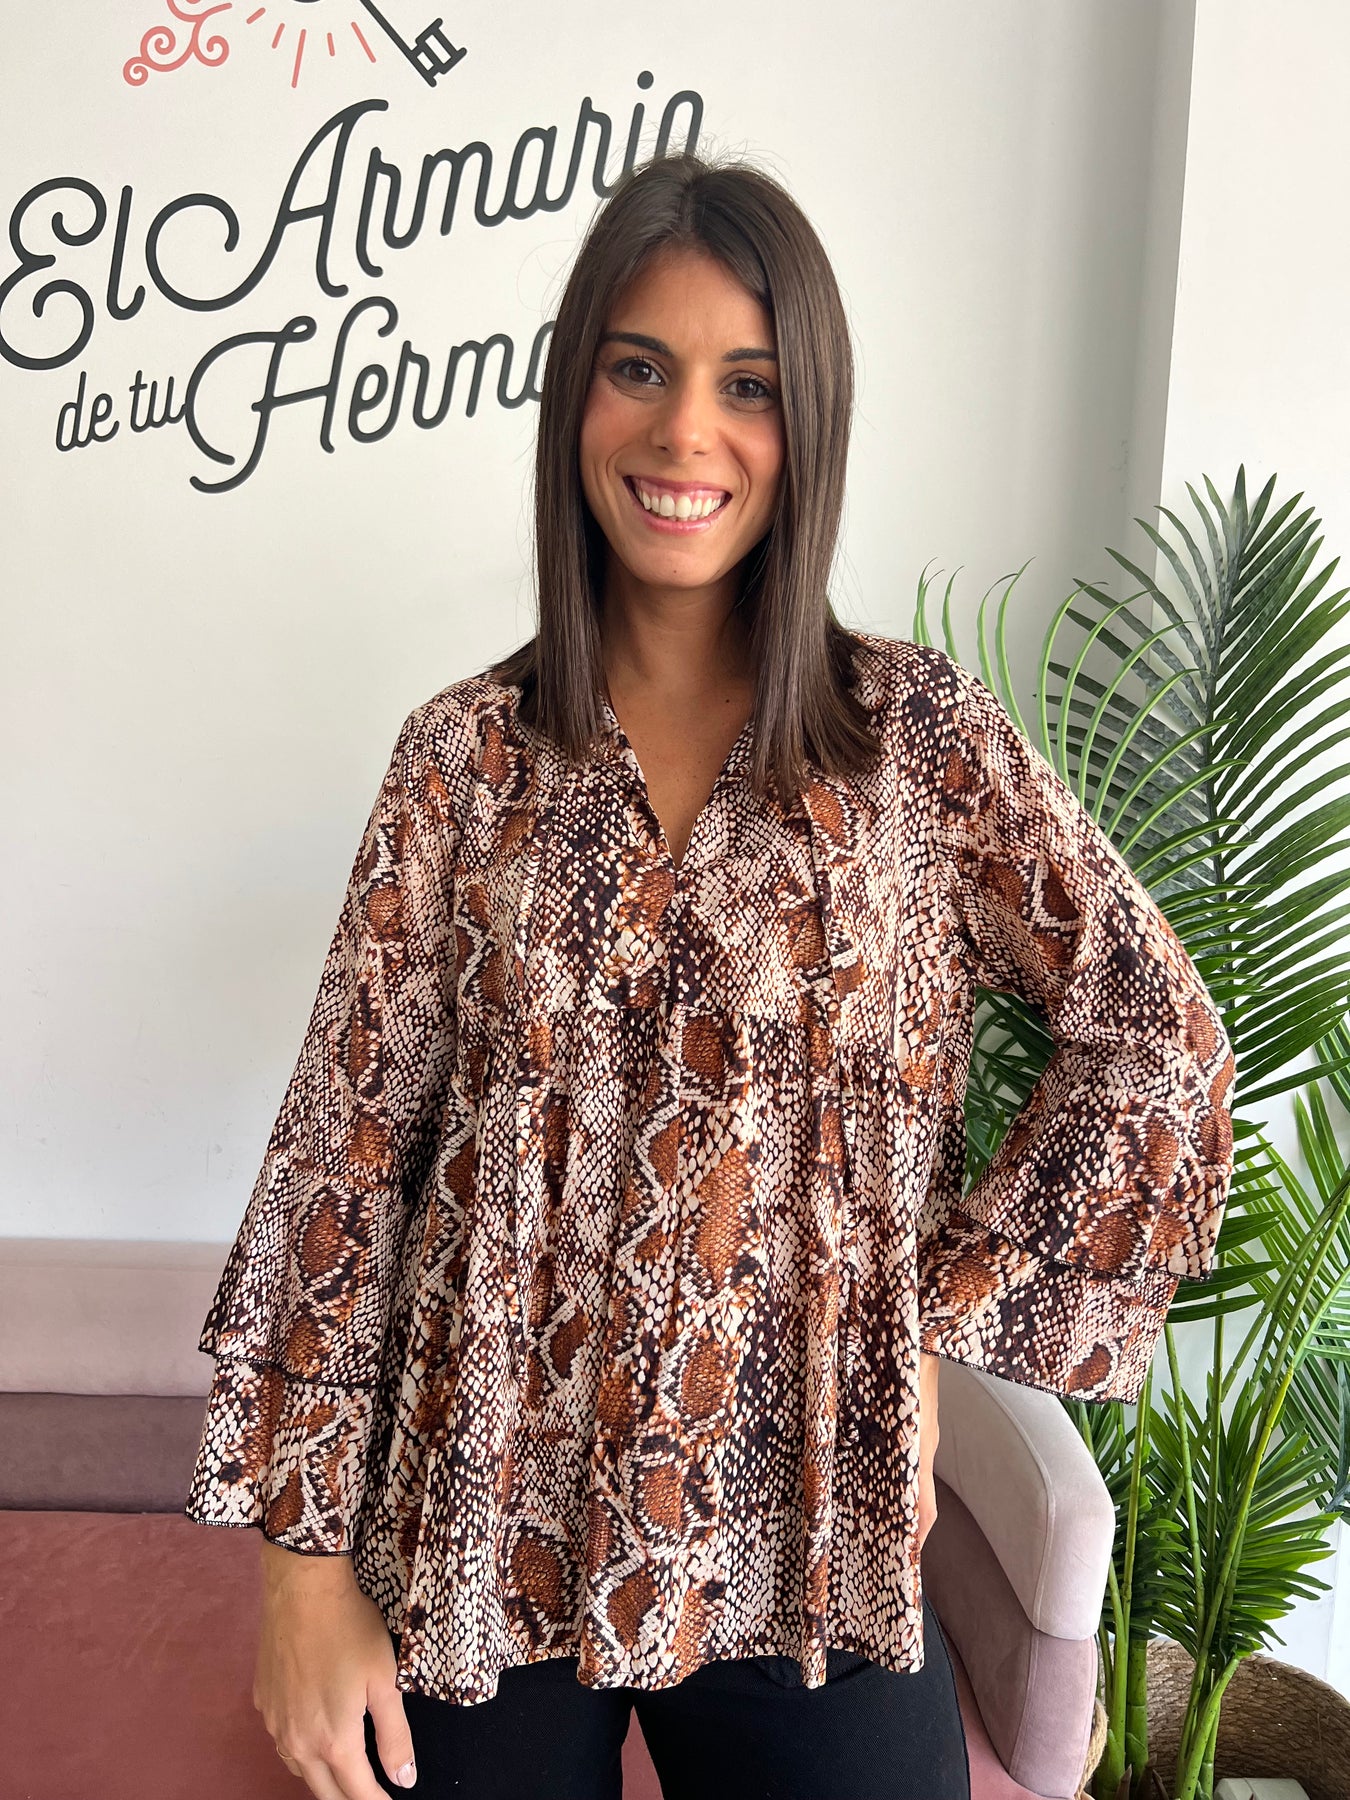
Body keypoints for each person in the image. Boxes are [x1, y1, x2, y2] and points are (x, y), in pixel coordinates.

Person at [185, 151, 1235, 1800]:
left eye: (747, 385)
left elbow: (1151, 1032)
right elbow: (346, 1163)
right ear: (575, 401)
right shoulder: (460, 762)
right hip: (474, 1534)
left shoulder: (916, 745)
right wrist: (299, 1577)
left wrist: (924, 1319)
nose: (686, 434)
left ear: (807, 420)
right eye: (639, 369)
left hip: (807, 1546)